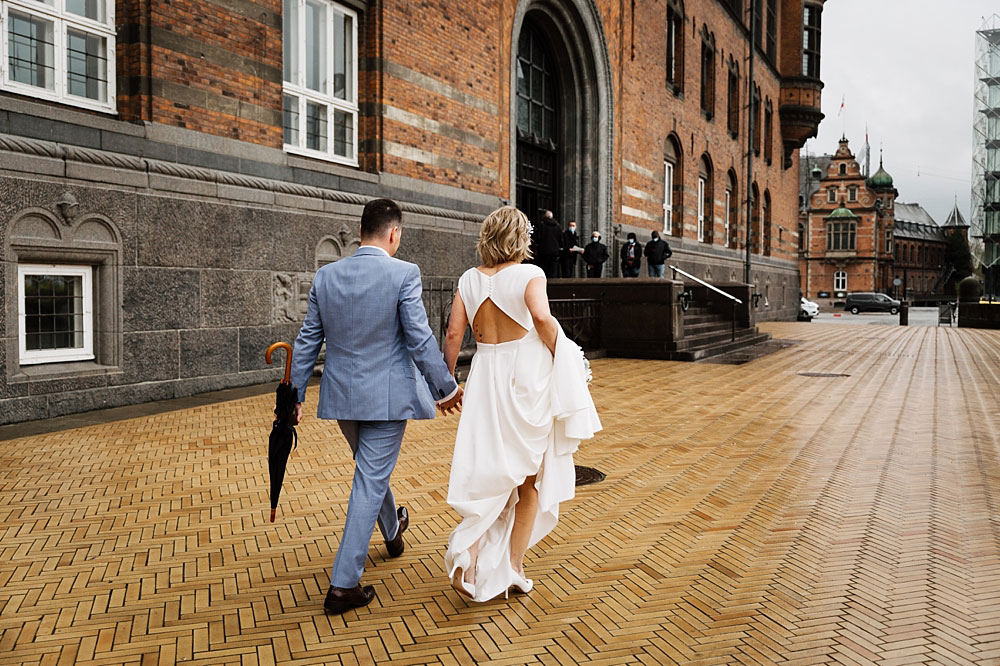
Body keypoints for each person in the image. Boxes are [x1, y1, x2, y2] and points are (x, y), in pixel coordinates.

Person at [289, 198, 464, 616]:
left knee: (371, 470)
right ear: (394, 233)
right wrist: (446, 388)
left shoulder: (326, 276)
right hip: (386, 400)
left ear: (362, 229)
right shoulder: (403, 273)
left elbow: (307, 341)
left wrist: (294, 396)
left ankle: (393, 526)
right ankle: (343, 585)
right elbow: (420, 339)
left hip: (342, 399)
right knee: (369, 480)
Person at [442, 206, 601, 602]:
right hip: (525, 379)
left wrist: (448, 381)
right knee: (529, 476)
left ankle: (472, 556)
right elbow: (542, 318)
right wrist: (563, 354)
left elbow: (452, 334)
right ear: (521, 239)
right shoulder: (531, 274)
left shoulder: (468, 279)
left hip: (484, 376)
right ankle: (513, 567)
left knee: (488, 468)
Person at [534, 210, 563, 278]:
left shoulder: (541, 225)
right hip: (554, 251)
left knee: (544, 269)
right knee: (553, 270)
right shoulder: (557, 226)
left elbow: (538, 237)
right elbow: (561, 239)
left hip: (543, 251)